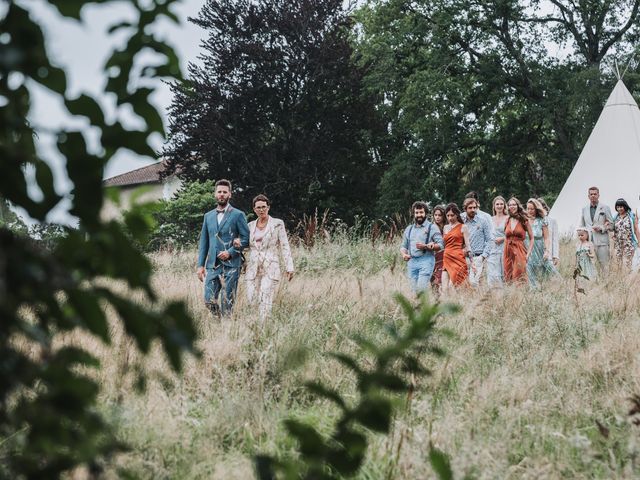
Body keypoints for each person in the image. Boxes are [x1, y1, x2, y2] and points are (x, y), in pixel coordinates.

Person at [236, 194, 294, 320]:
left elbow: (284, 245)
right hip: (253, 267)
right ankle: (255, 324)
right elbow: (246, 245)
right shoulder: (250, 225)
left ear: (268, 207)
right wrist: (238, 243)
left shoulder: (278, 223)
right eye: (258, 208)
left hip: (270, 266)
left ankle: (264, 327)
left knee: (265, 296)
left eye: (263, 207)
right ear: (254, 209)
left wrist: (289, 266)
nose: (261, 210)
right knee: (252, 298)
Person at [196, 179, 250, 315]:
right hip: (213, 265)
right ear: (215, 194)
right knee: (208, 300)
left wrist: (231, 252)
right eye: (219, 192)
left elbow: (246, 239)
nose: (221, 194)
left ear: (230, 194)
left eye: (224, 192)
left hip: (232, 265)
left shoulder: (238, 215)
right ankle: (218, 320)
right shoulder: (208, 216)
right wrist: (200, 265)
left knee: (227, 302)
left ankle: (226, 329)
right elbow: (204, 242)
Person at [400, 201, 444, 296]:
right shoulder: (409, 229)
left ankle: (423, 308)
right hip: (412, 262)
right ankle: (419, 308)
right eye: (417, 213)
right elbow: (403, 246)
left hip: (426, 260)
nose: (419, 215)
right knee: (414, 291)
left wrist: (427, 246)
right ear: (413, 213)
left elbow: (441, 245)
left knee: (421, 289)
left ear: (425, 213)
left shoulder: (432, 227)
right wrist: (404, 254)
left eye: (421, 212)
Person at [579, 186, 613, 273]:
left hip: (602, 243)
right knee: (590, 266)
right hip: (589, 243)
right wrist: (582, 241)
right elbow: (582, 226)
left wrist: (602, 228)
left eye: (595, 194)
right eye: (591, 194)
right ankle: (594, 285)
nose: (593, 196)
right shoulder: (584, 209)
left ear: (598, 195)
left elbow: (612, 225)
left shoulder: (605, 207)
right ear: (588, 196)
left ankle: (606, 285)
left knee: (604, 266)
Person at [462, 197, 494, 287]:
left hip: (478, 257)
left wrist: (483, 256)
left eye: (474, 207)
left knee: (476, 284)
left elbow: (490, 240)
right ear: (465, 209)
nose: (473, 210)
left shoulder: (483, 221)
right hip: (464, 258)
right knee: (465, 286)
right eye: (470, 208)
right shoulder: (461, 221)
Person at [526, 198, 557, 287]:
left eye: (532, 209)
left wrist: (547, 251)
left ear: (536, 209)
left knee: (551, 272)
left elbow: (547, 238)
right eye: (528, 208)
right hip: (528, 251)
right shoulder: (524, 220)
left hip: (540, 250)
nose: (530, 211)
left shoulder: (542, 220)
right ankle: (534, 291)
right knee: (531, 275)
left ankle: (555, 288)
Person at [442, 203, 473, 292]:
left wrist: (472, 261)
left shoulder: (463, 227)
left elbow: (468, 245)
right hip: (447, 257)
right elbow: (444, 244)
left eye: (452, 215)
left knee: (453, 286)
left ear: (457, 214)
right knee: (445, 288)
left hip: (458, 258)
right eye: (448, 215)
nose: (450, 218)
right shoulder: (445, 227)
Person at [503, 197, 534, 284]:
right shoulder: (507, 220)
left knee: (519, 275)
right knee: (508, 275)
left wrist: (528, 254)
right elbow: (506, 236)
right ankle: (511, 296)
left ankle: (520, 295)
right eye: (510, 205)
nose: (512, 206)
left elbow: (532, 238)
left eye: (514, 204)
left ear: (517, 206)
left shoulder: (524, 220)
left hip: (519, 250)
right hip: (507, 250)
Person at [612, 198, 639, 271]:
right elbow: (612, 229)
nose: (619, 208)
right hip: (618, 244)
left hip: (628, 243)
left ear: (625, 206)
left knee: (628, 262)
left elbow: (636, 229)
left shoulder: (631, 216)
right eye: (617, 207)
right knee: (618, 262)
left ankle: (628, 278)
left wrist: (639, 241)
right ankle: (620, 277)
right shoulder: (615, 218)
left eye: (621, 207)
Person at [487, 196, 508, 287]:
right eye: (497, 204)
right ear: (494, 206)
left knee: (505, 273)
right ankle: (494, 295)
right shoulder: (490, 219)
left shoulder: (508, 218)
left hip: (505, 248)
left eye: (501, 204)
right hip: (493, 249)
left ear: (504, 206)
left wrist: (503, 238)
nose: (499, 206)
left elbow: (513, 234)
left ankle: (506, 295)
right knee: (493, 274)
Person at [538, 198, 560, 268]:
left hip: (549, 254)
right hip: (536, 252)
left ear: (544, 207)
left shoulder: (552, 221)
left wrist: (555, 256)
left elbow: (555, 240)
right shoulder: (533, 221)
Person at [430, 205, 446, 297]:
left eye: (439, 215)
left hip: (444, 256)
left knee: (441, 279)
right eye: (435, 215)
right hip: (433, 257)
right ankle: (436, 300)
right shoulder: (431, 228)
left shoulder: (447, 227)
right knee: (434, 280)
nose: (437, 217)